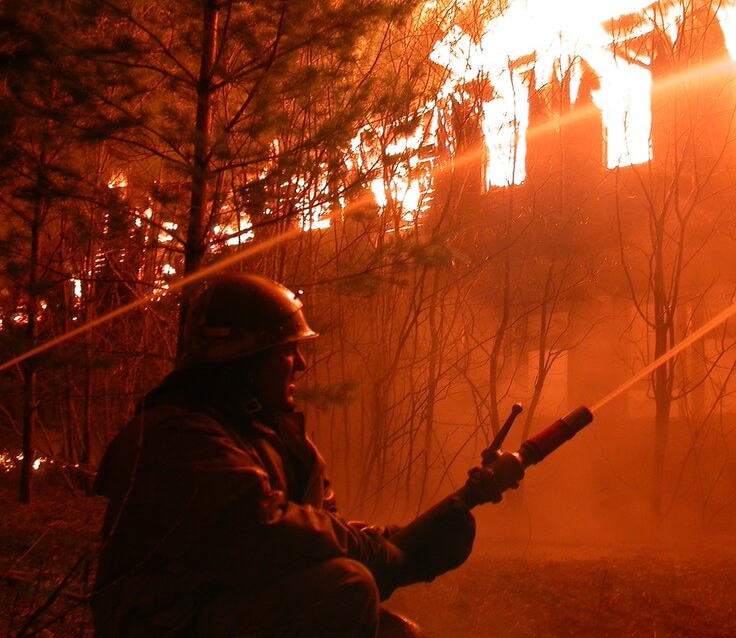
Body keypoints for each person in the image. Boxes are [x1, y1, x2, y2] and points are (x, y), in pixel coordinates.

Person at [92, 273, 475, 637]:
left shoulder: (271, 437)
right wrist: (378, 553)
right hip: (164, 625)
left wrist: (400, 543)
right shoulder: (178, 437)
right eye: (288, 351)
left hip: (219, 610)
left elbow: (318, 526)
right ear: (246, 358)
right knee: (345, 587)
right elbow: (263, 531)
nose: (302, 365)